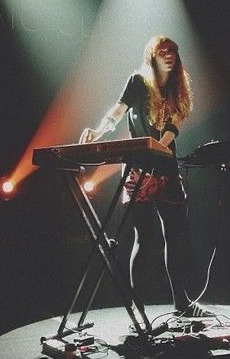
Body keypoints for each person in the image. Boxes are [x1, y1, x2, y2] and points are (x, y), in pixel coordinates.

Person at [79, 35, 214, 317]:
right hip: (138, 170)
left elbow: (173, 128)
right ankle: (137, 310)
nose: (169, 55)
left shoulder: (179, 88)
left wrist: (158, 148)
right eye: (163, 51)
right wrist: (98, 131)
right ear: (152, 56)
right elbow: (117, 111)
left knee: (174, 236)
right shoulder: (138, 82)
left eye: (173, 51)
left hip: (165, 168)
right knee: (145, 236)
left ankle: (181, 303)